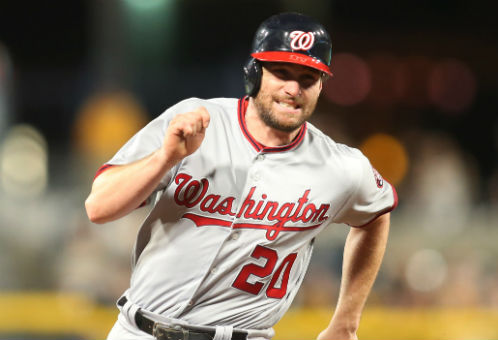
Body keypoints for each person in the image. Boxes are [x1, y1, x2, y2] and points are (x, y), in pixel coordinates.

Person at [85, 12, 397, 340]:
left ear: (321, 85)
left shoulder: (340, 167)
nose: (294, 88)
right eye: (281, 72)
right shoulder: (194, 121)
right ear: (254, 73)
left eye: (308, 77)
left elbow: (375, 216)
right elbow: (99, 207)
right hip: (141, 330)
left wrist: (345, 323)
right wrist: (165, 158)